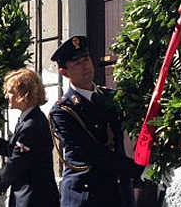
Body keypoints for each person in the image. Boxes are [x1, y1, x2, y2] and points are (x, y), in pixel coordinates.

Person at [49, 36, 146, 207]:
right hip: (87, 196)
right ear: (64, 72)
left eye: (86, 59)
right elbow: (94, 153)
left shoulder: (110, 97)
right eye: (76, 63)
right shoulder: (63, 111)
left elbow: (140, 120)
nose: (85, 65)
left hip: (119, 193)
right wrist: (140, 170)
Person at [0, 68, 60, 207]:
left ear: (24, 94)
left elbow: (17, 162)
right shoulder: (28, 119)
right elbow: (16, 150)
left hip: (34, 198)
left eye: (11, 92)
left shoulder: (31, 125)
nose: (6, 96)